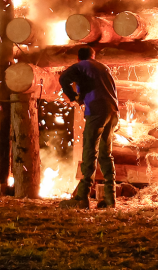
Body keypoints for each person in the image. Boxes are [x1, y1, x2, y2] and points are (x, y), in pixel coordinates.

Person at [58, 45, 120, 209]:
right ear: (94, 56)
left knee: (89, 151)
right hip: (113, 111)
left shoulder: (80, 66)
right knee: (105, 153)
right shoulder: (104, 68)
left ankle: (82, 197)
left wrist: (73, 97)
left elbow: (63, 79)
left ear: (79, 58)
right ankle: (110, 198)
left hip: (97, 110)